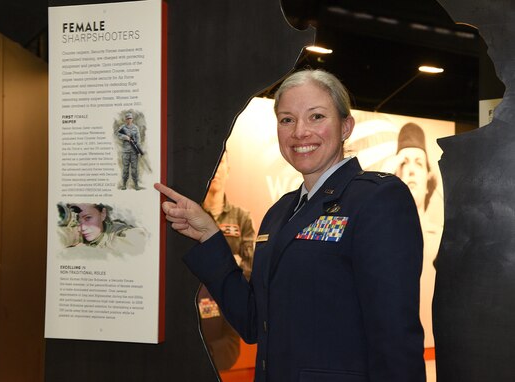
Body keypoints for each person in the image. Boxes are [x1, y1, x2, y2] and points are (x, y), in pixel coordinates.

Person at [155, 69, 425, 381]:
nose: (300, 132)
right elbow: (254, 321)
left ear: (345, 127)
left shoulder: (377, 199)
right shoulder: (279, 213)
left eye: (316, 117)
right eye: (287, 119)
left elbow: (395, 335)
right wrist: (210, 235)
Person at [383, 122, 443, 348]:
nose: (410, 171)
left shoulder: (440, 240)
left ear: (428, 177)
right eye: (403, 163)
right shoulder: (379, 238)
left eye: (418, 163)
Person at [198, 151, 256, 371]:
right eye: (212, 161)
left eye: (221, 162)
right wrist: (231, 262)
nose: (216, 169)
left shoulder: (241, 217)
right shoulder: (190, 216)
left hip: (229, 309)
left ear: (228, 170)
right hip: (195, 310)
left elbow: (250, 269)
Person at [57, 202, 148, 258]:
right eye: (77, 220)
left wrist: (82, 249)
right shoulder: (74, 231)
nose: (82, 228)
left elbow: (139, 243)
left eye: (88, 218)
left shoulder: (119, 232)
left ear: (103, 214)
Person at [116, 112, 143, 190]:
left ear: (132, 119)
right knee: (125, 169)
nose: (129, 120)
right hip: (125, 151)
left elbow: (138, 140)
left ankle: (136, 185)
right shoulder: (123, 127)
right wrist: (125, 137)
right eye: (127, 118)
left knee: (134, 169)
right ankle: (124, 184)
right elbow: (118, 134)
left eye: (130, 118)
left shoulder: (135, 128)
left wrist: (138, 150)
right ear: (125, 119)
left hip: (134, 151)